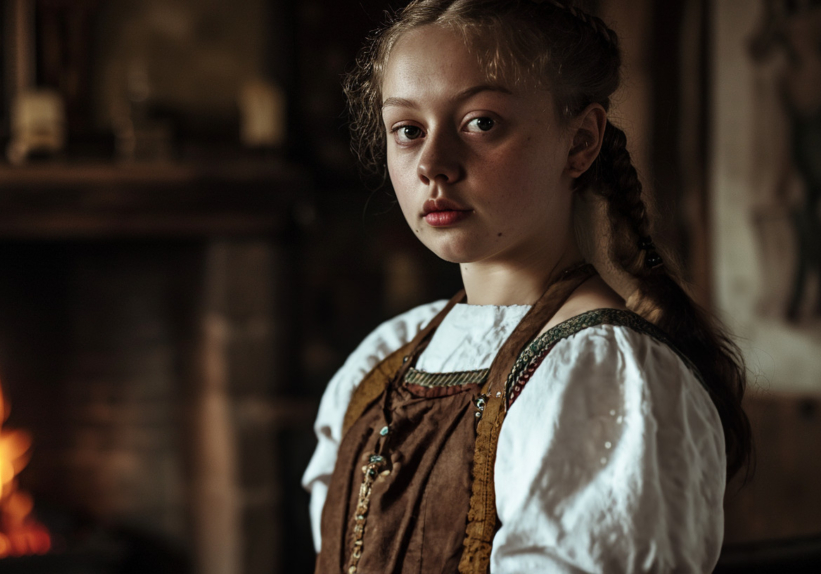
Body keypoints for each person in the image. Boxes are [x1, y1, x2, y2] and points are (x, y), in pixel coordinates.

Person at [301, 1, 753, 572]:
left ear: (580, 141)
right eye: (409, 130)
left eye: (481, 122)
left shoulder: (605, 374)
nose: (432, 164)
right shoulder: (385, 358)